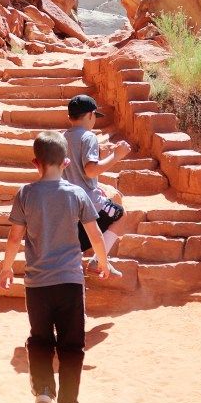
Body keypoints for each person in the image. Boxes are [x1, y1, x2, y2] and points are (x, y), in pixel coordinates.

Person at [0, 130, 109, 403]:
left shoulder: (26, 194)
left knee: (41, 339)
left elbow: (14, 237)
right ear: (67, 162)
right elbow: (95, 234)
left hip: (37, 284)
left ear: (36, 163)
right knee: (72, 346)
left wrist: (7, 268)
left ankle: (45, 391)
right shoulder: (77, 194)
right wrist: (103, 261)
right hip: (70, 282)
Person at [64, 94, 131, 273]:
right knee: (121, 215)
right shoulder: (88, 137)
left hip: (66, 202)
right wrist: (116, 156)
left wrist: (93, 184)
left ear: (70, 117)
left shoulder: (62, 138)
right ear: (91, 115)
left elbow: (71, 171)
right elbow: (90, 170)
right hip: (87, 203)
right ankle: (98, 260)